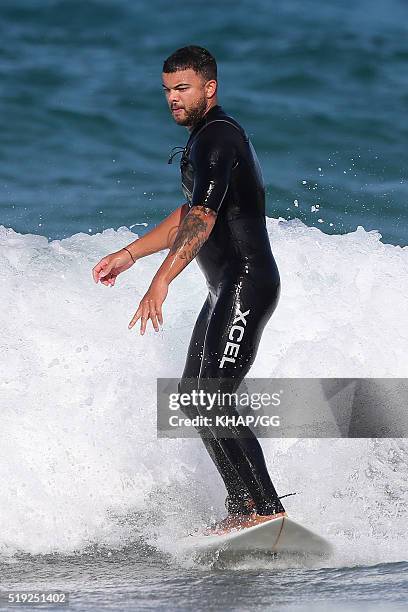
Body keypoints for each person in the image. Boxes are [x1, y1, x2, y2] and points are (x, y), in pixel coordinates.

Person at [92, 45, 285, 532]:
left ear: (209, 88)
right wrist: (130, 255)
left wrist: (160, 282)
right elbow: (186, 214)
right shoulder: (204, 139)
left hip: (246, 281)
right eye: (167, 91)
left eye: (183, 89)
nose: (173, 99)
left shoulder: (217, 138)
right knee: (194, 395)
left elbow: (203, 216)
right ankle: (243, 511)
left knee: (214, 393)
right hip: (223, 287)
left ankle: (269, 512)